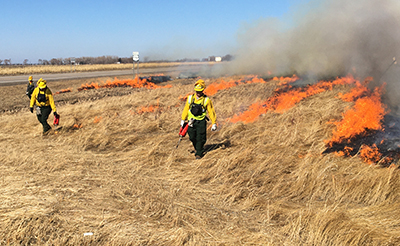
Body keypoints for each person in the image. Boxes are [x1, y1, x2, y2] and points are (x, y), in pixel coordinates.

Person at [181, 79, 217, 159]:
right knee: (192, 136)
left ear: (203, 90)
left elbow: (211, 112)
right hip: (191, 121)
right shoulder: (190, 98)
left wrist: (213, 123)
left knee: (201, 137)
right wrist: (183, 119)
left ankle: (199, 153)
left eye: (200, 91)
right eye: (197, 91)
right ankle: (198, 148)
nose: (198, 93)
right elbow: (186, 109)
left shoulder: (207, 100)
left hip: (201, 121)